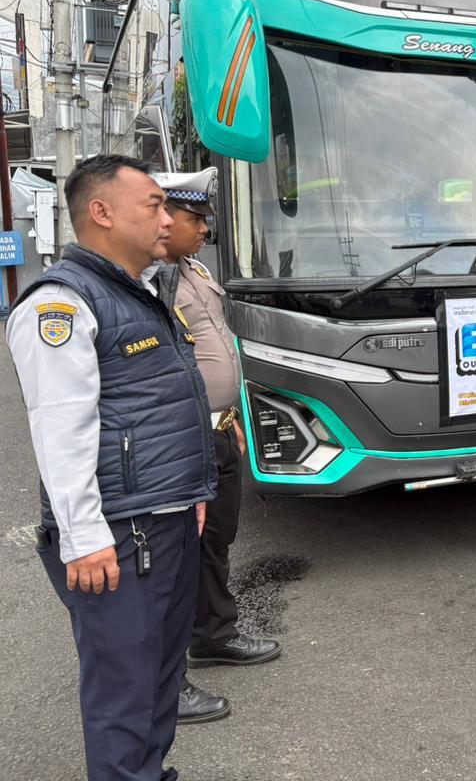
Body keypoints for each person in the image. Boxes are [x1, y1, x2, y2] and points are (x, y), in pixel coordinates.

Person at [7, 154, 217, 780]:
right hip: (119, 536)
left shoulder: (140, 291)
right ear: (101, 212)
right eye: (153, 203)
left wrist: (189, 494)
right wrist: (84, 538)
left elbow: (156, 411)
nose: (167, 217)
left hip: (165, 517)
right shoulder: (62, 305)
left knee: (160, 677)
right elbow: (60, 429)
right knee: (124, 692)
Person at [154, 169, 282, 726]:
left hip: (219, 428)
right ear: (163, 220)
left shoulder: (195, 271)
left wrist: (233, 419)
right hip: (182, 439)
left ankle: (212, 635)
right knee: (172, 559)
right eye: (195, 219)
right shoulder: (147, 281)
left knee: (217, 540)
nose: (205, 228)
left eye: (205, 219)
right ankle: (164, 682)